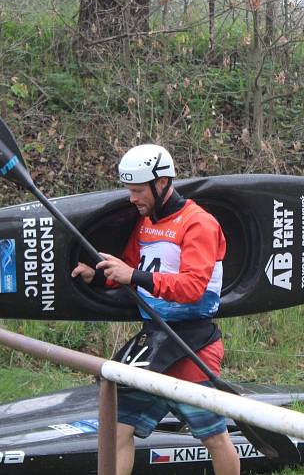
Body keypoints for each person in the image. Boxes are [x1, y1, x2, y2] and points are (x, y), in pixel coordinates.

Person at [71, 144, 240, 475]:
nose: (133, 198)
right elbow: (132, 269)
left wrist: (132, 274)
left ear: (162, 183)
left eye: (138, 190)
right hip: (154, 343)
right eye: (129, 190)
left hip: (192, 345)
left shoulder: (199, 225)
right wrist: (100, 277)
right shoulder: (145, 223)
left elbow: (192, 288)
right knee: (116, 429)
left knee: (214, 437)